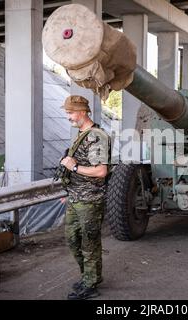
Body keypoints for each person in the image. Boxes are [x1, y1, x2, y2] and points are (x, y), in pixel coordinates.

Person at [60, 95, 110, 299]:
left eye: (70, 112)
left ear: (82, 111)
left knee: (89, 243)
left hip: (89, 200)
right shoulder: (82, 134)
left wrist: (74, 166)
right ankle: (89, 276)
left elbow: (101, 171)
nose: (68, 117)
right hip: (75, 197)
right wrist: (69, 190)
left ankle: (90, 284)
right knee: (72, 240)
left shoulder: (96, 136)